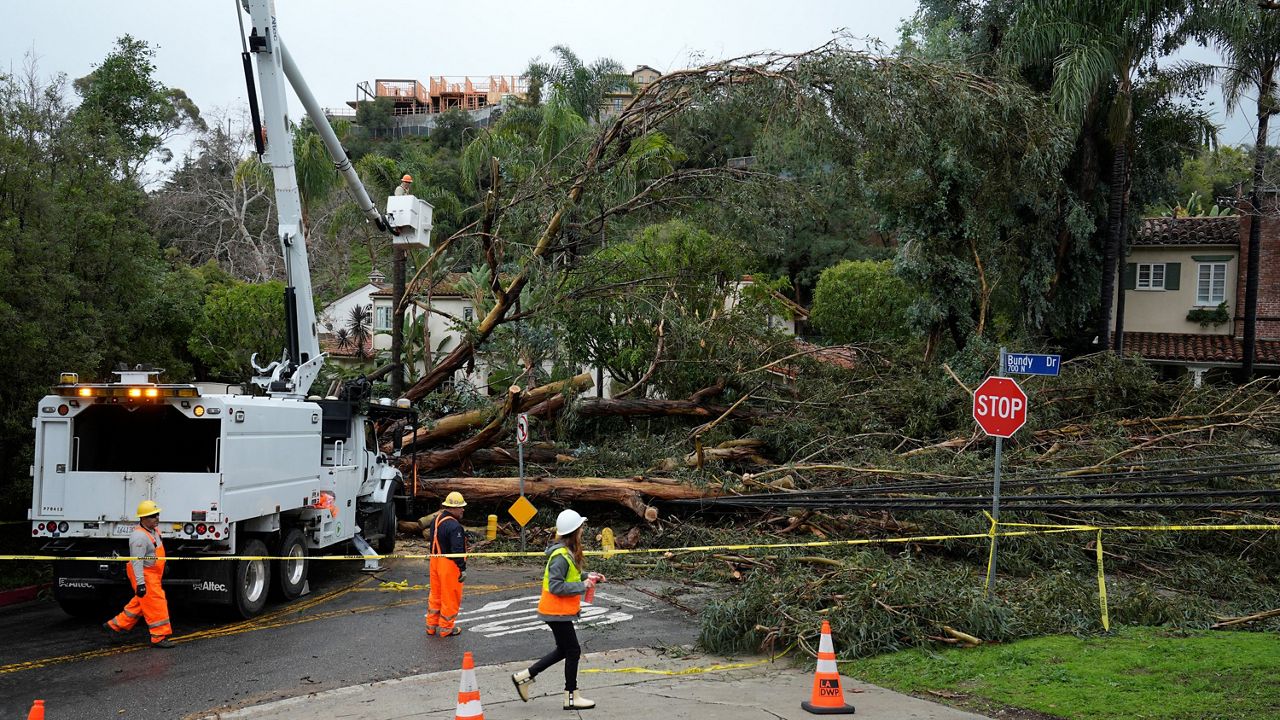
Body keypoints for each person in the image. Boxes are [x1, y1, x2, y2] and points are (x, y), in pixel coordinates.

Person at [511, 508, 605, 710]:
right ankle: (571, 697)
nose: (583, 531)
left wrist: (588, 576)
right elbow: (556, 585)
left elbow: (570, 576)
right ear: (574, 531)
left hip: (558, 611)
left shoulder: (567, 553)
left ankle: (524, 677)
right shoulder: (560, 556)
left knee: (564, 650)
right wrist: (583, 586)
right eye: (581, 528)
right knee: (573, 650)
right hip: (555, 612)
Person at [103, 500, 175, 648]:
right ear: (142, 518)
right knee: (156, 602)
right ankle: (159, 637)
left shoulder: (154, 530)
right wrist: (140, 583)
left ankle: (114, 626)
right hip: (144, 574)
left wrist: (163, 564)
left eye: (157, 515)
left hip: (153, 573)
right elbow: (137, 562)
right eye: (152, 516)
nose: (156, 518)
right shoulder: (139, 537)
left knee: (142, 603)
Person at [425, 491, 467, 637]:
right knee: (450, 596)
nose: (463, 509)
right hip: (449, 565)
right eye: (460, 507)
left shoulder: (436, 520)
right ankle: (446, 628)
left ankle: (431, 626)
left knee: (435, 595)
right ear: (453, 508)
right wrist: (462, 568)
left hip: (435, 561)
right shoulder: (454, 527)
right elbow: (457, 550)